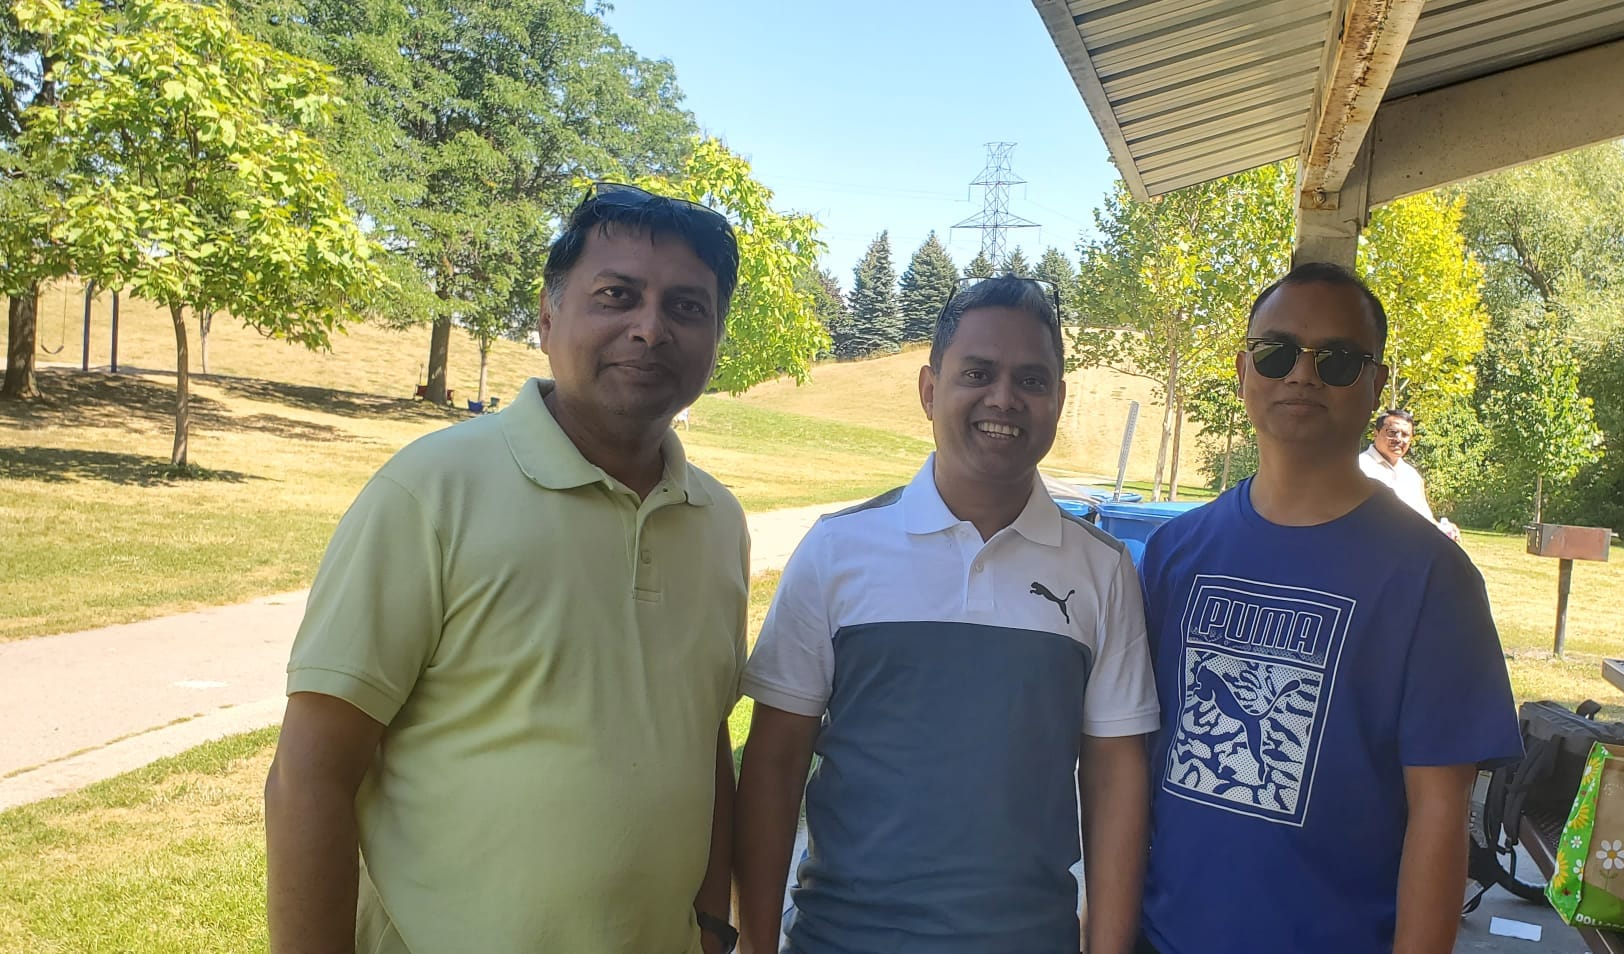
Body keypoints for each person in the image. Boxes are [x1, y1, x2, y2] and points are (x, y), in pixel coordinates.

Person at [265, 184, 747, 954]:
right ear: (549, 317)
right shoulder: (429, 491)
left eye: (687, 307)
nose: (650, 328)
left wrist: (714, 927)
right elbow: (309, 777)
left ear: (716, 337)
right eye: (617, 295)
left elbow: (703, 736)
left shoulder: (717, 521)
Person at [735, 276, 1159, 954]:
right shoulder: (838, 550)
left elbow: (1115, 780)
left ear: (1057, 400)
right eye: (978, 373)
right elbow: (773, 764)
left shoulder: (1103, 570)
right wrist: (756, 945)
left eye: (1031, 380)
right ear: (930, 390)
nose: (1004, 399)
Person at [1135, 263, 1521, 954]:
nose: (1302, 374)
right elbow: (1131, 768)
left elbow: (1440, 814)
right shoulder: (1174, 554)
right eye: (1277, 352)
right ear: (1243, 369)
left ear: (1375, 384)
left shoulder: (1433, 579)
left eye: (1337, 359)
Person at [1360, 407, 1460, 540]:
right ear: (1376, 433)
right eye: (1392, 432)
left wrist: (1444, 529)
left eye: (1405, 435)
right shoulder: (1358, 467)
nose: (1398, 439)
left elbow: (1425, 518)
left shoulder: (1412, 475)